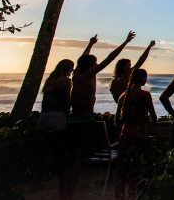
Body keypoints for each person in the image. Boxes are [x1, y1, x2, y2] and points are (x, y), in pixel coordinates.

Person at [62, 31, 136, 199]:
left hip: (72, 120)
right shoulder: (87, 76)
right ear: (90, 66)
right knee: (79, 160)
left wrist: (90, 44)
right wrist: (124, 42)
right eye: (94, 63)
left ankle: (64, 194)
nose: (97, 66)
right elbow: (109, 58)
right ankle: (69, 195)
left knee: (70, 160)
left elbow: (82, 58)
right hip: (83, 121)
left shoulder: (76, 75)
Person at [114, 68, 157, 200]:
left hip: (125, 133)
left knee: (122, 168)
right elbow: (154, 117)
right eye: (146, 77)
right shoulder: (144, 95)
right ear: (143, 79)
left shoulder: (123, 95)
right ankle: (132, 196)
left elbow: (117, 120)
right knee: (135, 167)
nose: (146, 80)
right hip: (139, 134)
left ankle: (119, 196)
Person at [38, 59, 74, 196]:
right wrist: (68, 114)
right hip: (57, 117)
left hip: (44, 116)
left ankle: (41, 178)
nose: (72, 73)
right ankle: (60, 185)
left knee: (47, 149)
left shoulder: (51, 80)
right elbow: (66, 101)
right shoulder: (65, 81)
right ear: (68, 69)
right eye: (71, 70)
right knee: (59, 150)